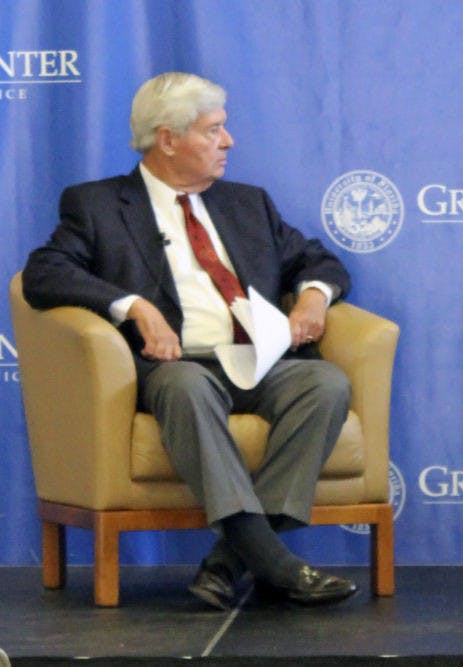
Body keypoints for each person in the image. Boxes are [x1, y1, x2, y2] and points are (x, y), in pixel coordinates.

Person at [22, 72, 357, 610]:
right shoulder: (98, 205)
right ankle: (275, 565)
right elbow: (43, 274)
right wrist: (134, 306)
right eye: (214, 131)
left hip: (260, 360)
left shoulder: (249, 204)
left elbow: (317, 260)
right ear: (168, 139)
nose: (229, 142)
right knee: (185, 387)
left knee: (325, 382)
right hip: (178, 366)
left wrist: (314, 297)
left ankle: (232, 559)